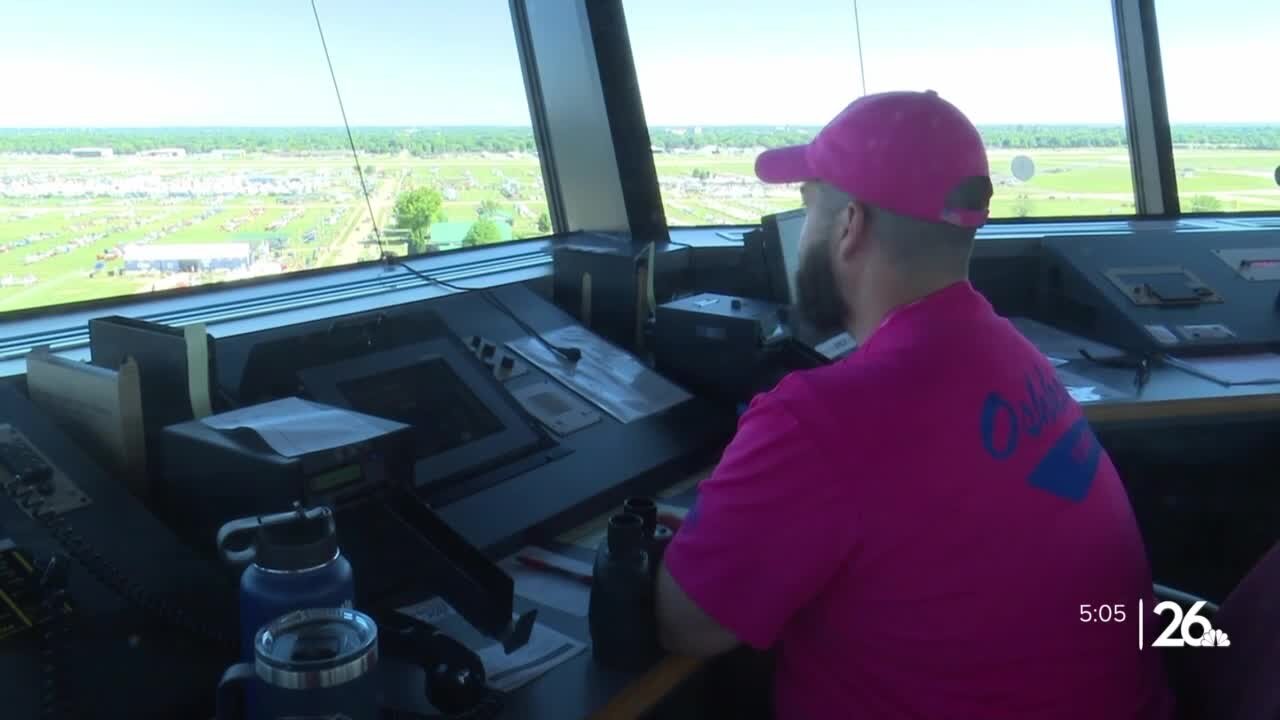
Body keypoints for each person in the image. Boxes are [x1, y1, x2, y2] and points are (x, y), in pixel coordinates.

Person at [654, 90, 1173, 719]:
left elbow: (688, 625)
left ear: (850, 226)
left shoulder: (818, 420)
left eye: (807, 206)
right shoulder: (1016, 357)